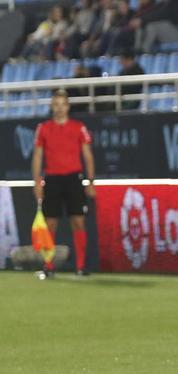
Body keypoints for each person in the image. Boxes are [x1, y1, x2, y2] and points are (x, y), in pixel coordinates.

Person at [32, 89, 97, 278]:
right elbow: (37, 156)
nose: (60, 108)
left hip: (73, 178)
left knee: (78, 221)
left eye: (63, 104)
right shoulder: (43, 128)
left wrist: (91, 181)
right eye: (56, 104)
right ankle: (48, 265)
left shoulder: (78, 127)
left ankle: (81, 266)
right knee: (50, 224)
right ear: (52, 107)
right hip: (52, 179)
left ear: (68, 107)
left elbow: (88, 155)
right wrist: (37, 181)